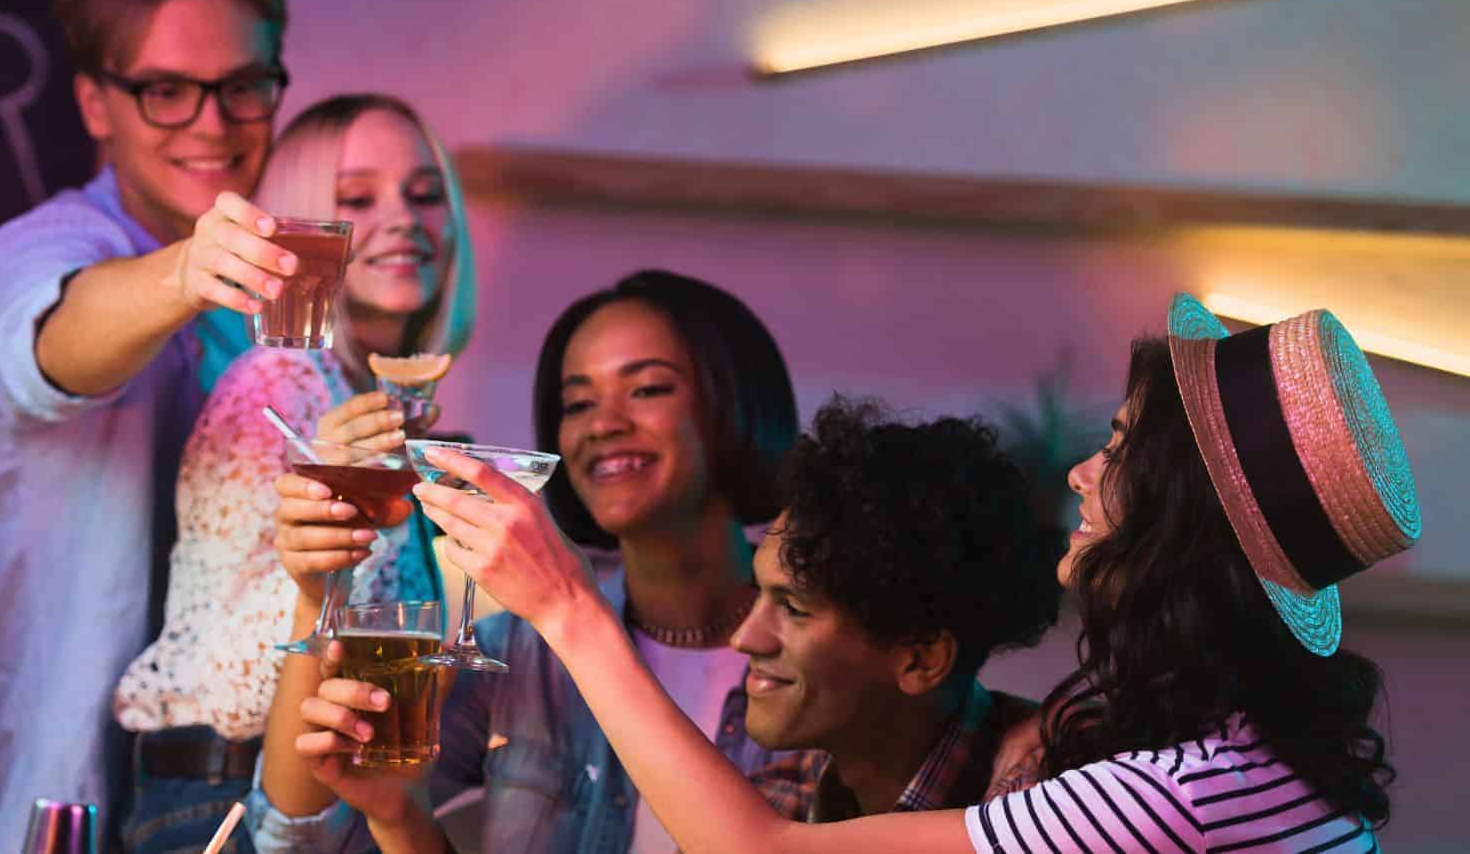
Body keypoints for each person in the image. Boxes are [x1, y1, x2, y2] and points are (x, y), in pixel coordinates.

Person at [393, 292, 1412, 852]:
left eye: (1119, 446)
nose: (1081, 471)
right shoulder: (1221, 759)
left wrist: (565, 606)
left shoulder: (1181, 789)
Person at [0, 0, 297, 848]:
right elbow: (53, 347)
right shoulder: (36, 252)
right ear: (97, 105)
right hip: (65, 790)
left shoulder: (269, 292)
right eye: (166, 90)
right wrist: (185, 271)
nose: (212, 123)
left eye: (243, 85)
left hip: (234, 800)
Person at [251, 270, 803, 853]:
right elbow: (300, 841)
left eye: (647, 390)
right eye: (578, 402)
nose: (603, 425)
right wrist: (317, 590)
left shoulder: (817, 656)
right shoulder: (520, 651)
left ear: (735, 403)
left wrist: (569, 605)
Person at [107, 93, 475, 852]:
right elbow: (252, 684)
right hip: (226, 809)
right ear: (310, 230)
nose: (403, 218)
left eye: (425, 194)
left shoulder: (370, 409)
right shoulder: (282, 383)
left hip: (328, 811)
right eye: (356, 198)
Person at [737, 397, 1061, 821]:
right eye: (757, 593)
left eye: (794, 608)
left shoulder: (1058, 812)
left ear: (921, 659)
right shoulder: (769, 806)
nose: (743, 638)